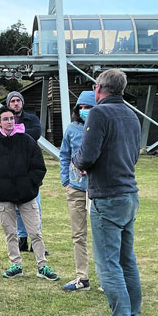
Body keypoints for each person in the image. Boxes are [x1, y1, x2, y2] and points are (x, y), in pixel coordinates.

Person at [73, 69, 141, 316]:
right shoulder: (132, 115)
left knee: (108, 264)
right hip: (128, 193)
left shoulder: (99, 113)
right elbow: (133, 155)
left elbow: (87, 156)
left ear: (99, 87)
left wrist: (77, 162)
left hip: (107, 195)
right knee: (127, 261)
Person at [0, 106, 59, 281]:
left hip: (27, 196)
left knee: (36, 233)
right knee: (11, 234)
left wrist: (31, 185)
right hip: (5, 198)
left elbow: (39, 166)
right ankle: (16, 265)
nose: (10, 122)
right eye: (6, 119)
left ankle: (42, 266)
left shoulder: (27, 141)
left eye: (11, 118)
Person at [59, 90, 96, 291]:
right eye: (80, 107)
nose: (83, 111)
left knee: (101, 235)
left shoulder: (101, 128)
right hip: (75, 188)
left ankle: (107, 279)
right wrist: (66, 180)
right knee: (78, 235)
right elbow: (64, 155)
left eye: (88, 107)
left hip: (98, 189)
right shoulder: (72, 129)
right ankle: (82, 277)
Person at [0, 91, 43, 252]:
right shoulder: (3, 119)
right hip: (11, 171)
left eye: (18, 100)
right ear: (8, 104)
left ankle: (36, 242)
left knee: (34, 207)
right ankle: (22, 239)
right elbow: (2, 139)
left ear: (22, 103)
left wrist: (17, 131)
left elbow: (36, 133)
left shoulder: (32, 119)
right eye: (13, 101)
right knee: (16, 209)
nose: (16, 103)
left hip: (29, 169)